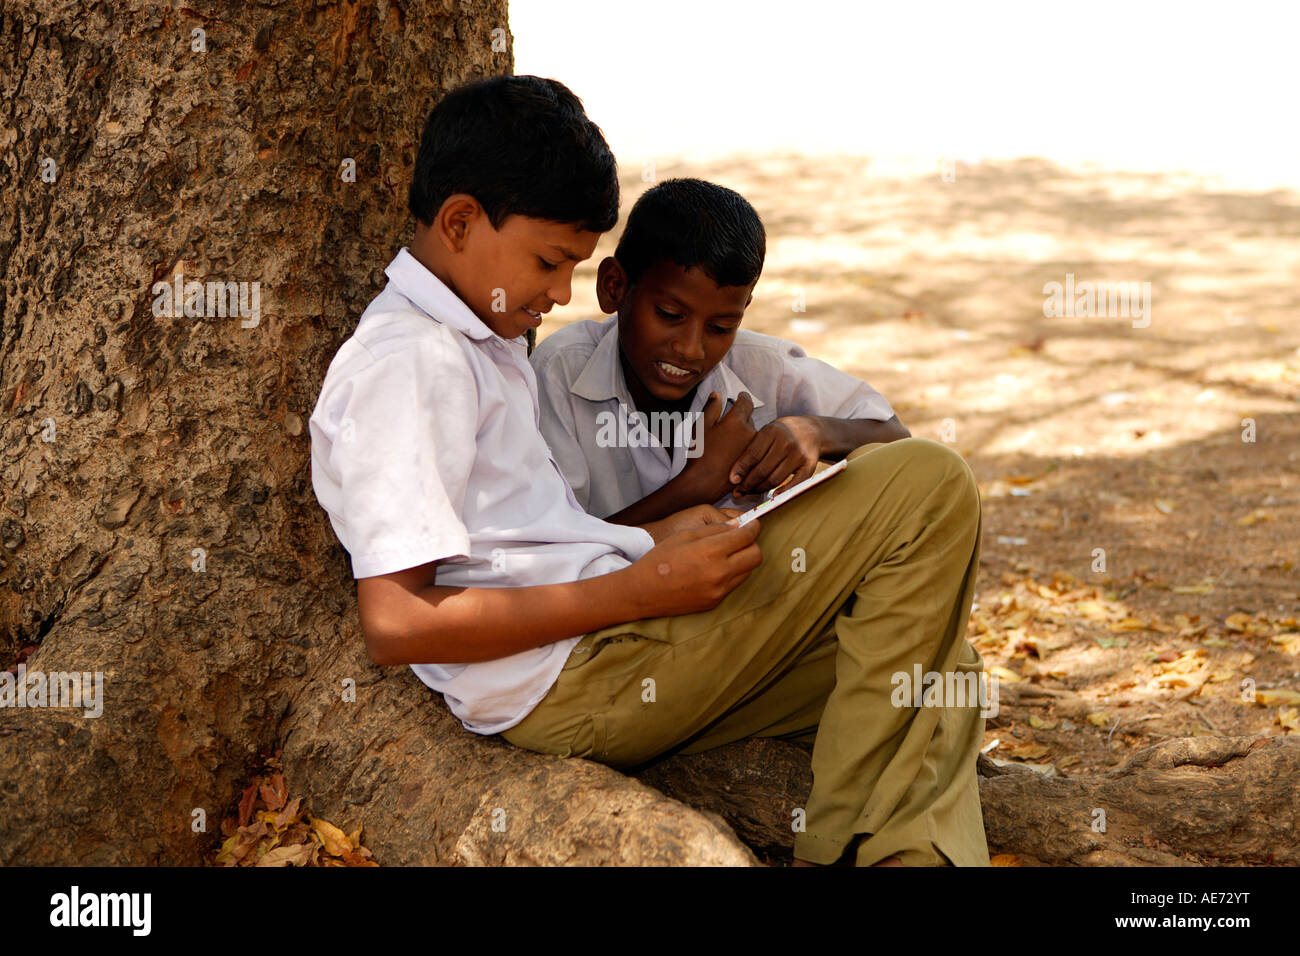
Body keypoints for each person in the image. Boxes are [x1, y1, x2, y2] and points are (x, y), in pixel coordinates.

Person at [308, 74, 989, 866]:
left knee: (933, 656)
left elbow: (523, 539)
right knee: (929, 484)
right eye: (549, 262)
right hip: (576, 675)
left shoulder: (476, 343)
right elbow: (395, 621)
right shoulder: (412, 362)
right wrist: (636, 588)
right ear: (460, 221)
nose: (562, 292)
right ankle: (844, 849)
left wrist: (658, 536)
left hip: (609, 638)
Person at [530, 177, 911, 526]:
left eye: (720, 327)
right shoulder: (560, 374)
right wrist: (697, 485)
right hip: (615, 598)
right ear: (614, 287)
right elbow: (555, 554)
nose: (691, 348)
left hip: (752, 593)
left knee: (940, 476)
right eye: (669, 314)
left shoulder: (762, 369)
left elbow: (898, 438)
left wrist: (814, 430)